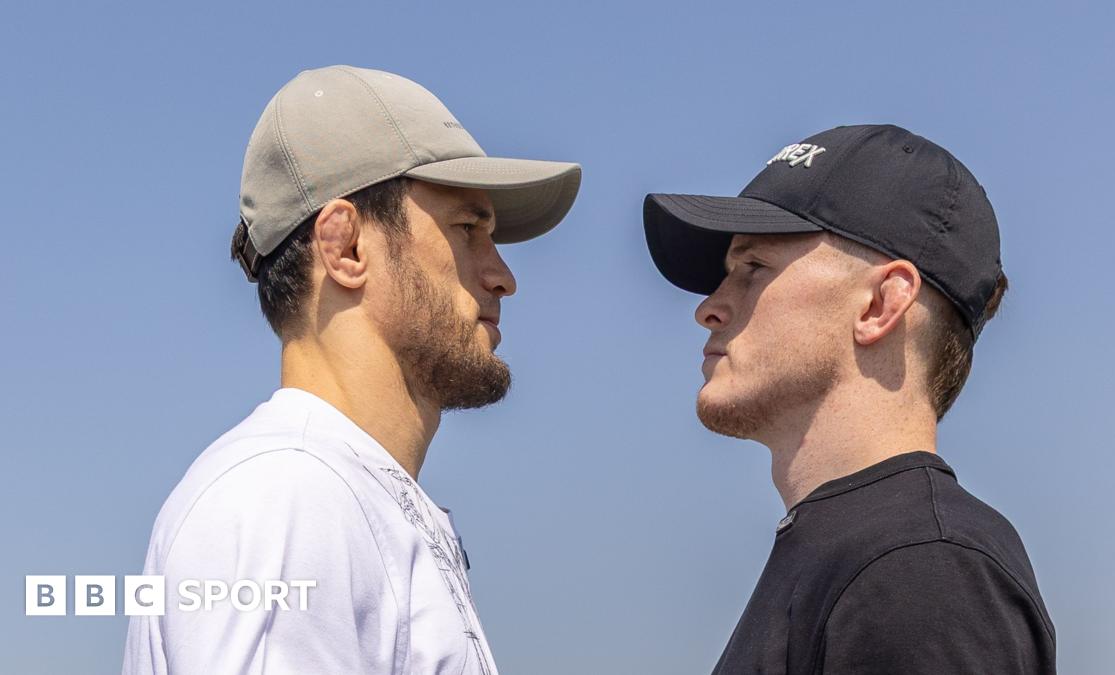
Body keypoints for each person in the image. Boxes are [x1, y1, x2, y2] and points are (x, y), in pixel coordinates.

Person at [122, 65, 581, 674]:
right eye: (468, 229)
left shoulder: (337, 494)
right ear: (346, 248)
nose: (503, 276)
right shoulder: (291, 499)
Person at [643, 124, 1055, 674]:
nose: (709, 308)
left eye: (753, 267)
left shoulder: (919, 568)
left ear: (880, 305)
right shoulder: (861, 552)